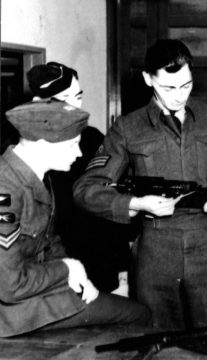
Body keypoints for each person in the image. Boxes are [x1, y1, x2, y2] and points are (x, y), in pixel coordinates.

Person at [73, 39, 207, 330]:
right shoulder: (127, 128)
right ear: (147, 79)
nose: (179, 96)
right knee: (158, 347)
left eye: (186, 85)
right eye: (168, 88)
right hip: (156, 251)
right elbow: (86, 190)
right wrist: (135, 204)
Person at [0, 100, 150, 337]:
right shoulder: (5, 189)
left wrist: (78, 277)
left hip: (31, 291)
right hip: (11, 312)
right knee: (137, 316)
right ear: (42, 144)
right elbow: (10, 285)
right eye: (72, 146)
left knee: (133, 312)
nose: (79, 153)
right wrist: (67, 269)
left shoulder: (35, 175)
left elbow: (48, 240)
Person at [26, 62, 132, 294]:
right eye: (65, 98)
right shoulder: (26, 149)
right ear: (39, 104)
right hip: (53, 270)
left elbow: (112, 202)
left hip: (100, 261)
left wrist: (122, 271)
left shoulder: (93, 140)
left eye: (78, 96)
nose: (76, 107)